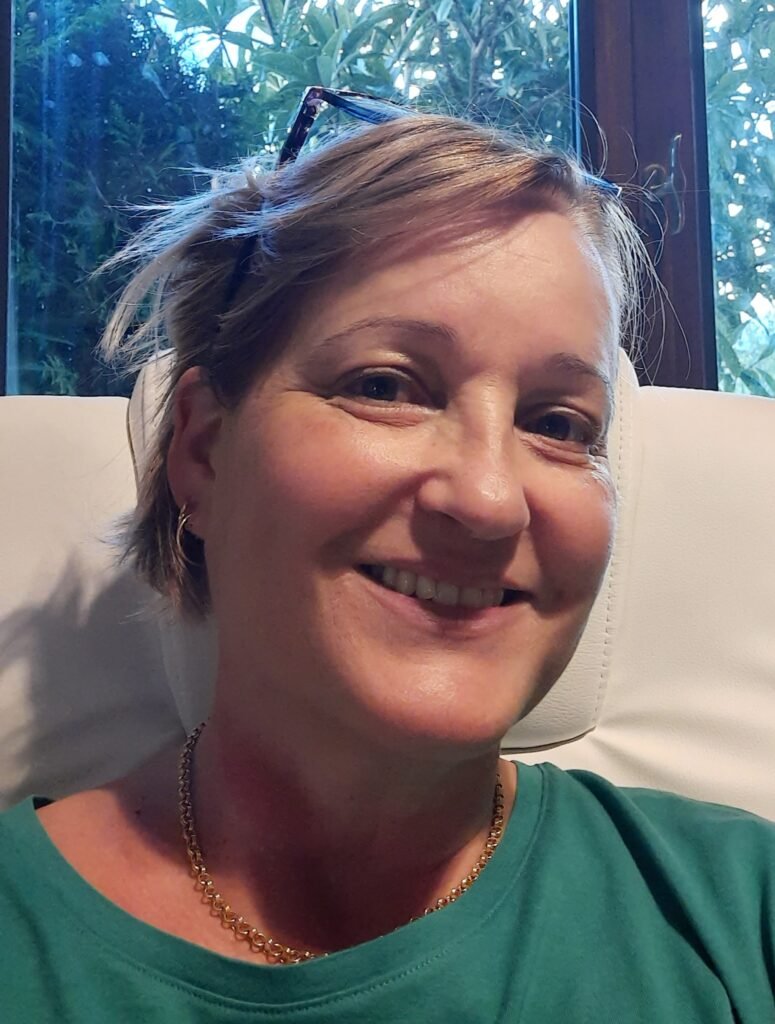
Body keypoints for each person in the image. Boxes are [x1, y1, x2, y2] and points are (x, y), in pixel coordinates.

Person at [0, 88, 773, 1022]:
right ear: (202, 451)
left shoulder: (740, 909)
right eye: (385, 386)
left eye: (558, 424)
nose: (488, 500)